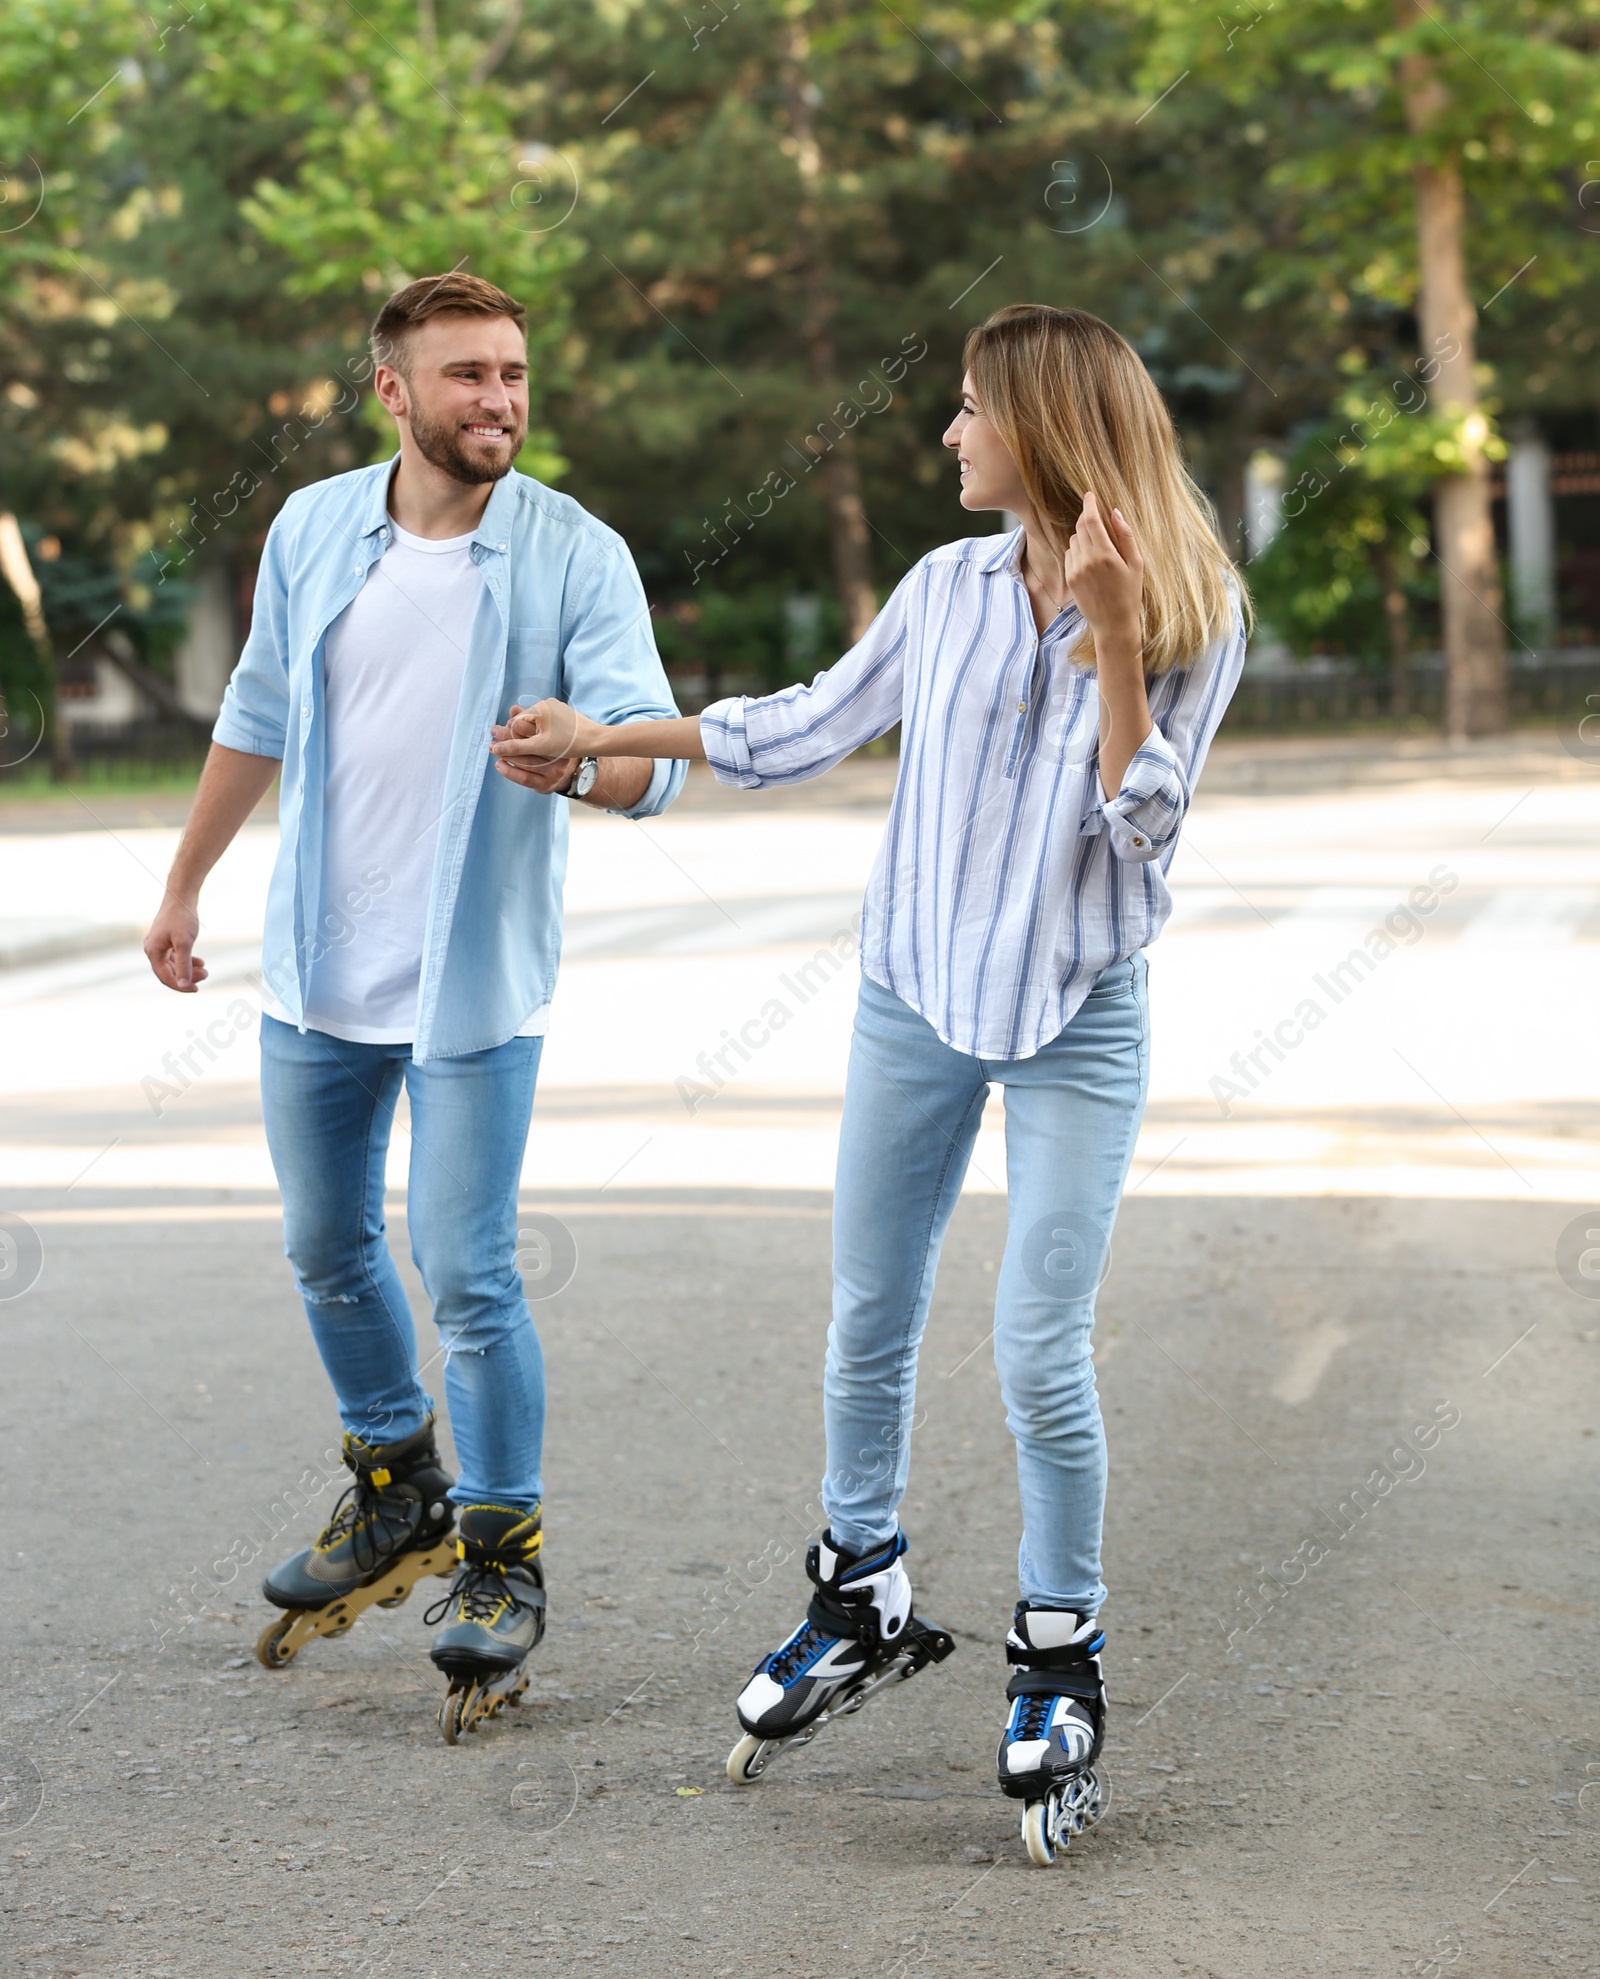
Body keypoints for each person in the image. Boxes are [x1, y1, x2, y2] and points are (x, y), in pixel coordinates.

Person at [490, 301, 1248, 1857]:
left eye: (972, 411)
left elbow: (1145, 831)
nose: (951, 434)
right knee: (868, 1313)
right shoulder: (945, 587)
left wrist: (1109, 635)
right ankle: (861, 1591)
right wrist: (598, 740)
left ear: (1041, 429)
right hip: (913, 996)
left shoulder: (1189, 609)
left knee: (1038, 1350)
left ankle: (1062, 1654)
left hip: (1075, 1013)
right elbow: (799, 728)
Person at [142, 272, 684, 1738]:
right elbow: (256, 714)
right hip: (321, 968)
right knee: (327, 1245)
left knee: (470, 1271)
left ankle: (501, 1555)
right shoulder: (317, 526)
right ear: (393, 389)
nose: (498, 399)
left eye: (512, 372)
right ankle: (398, 1487)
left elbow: (653, 759)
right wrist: (187, 883)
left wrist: (581, 757)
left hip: (472, 981)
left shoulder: (576, 554)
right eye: (466, 376)